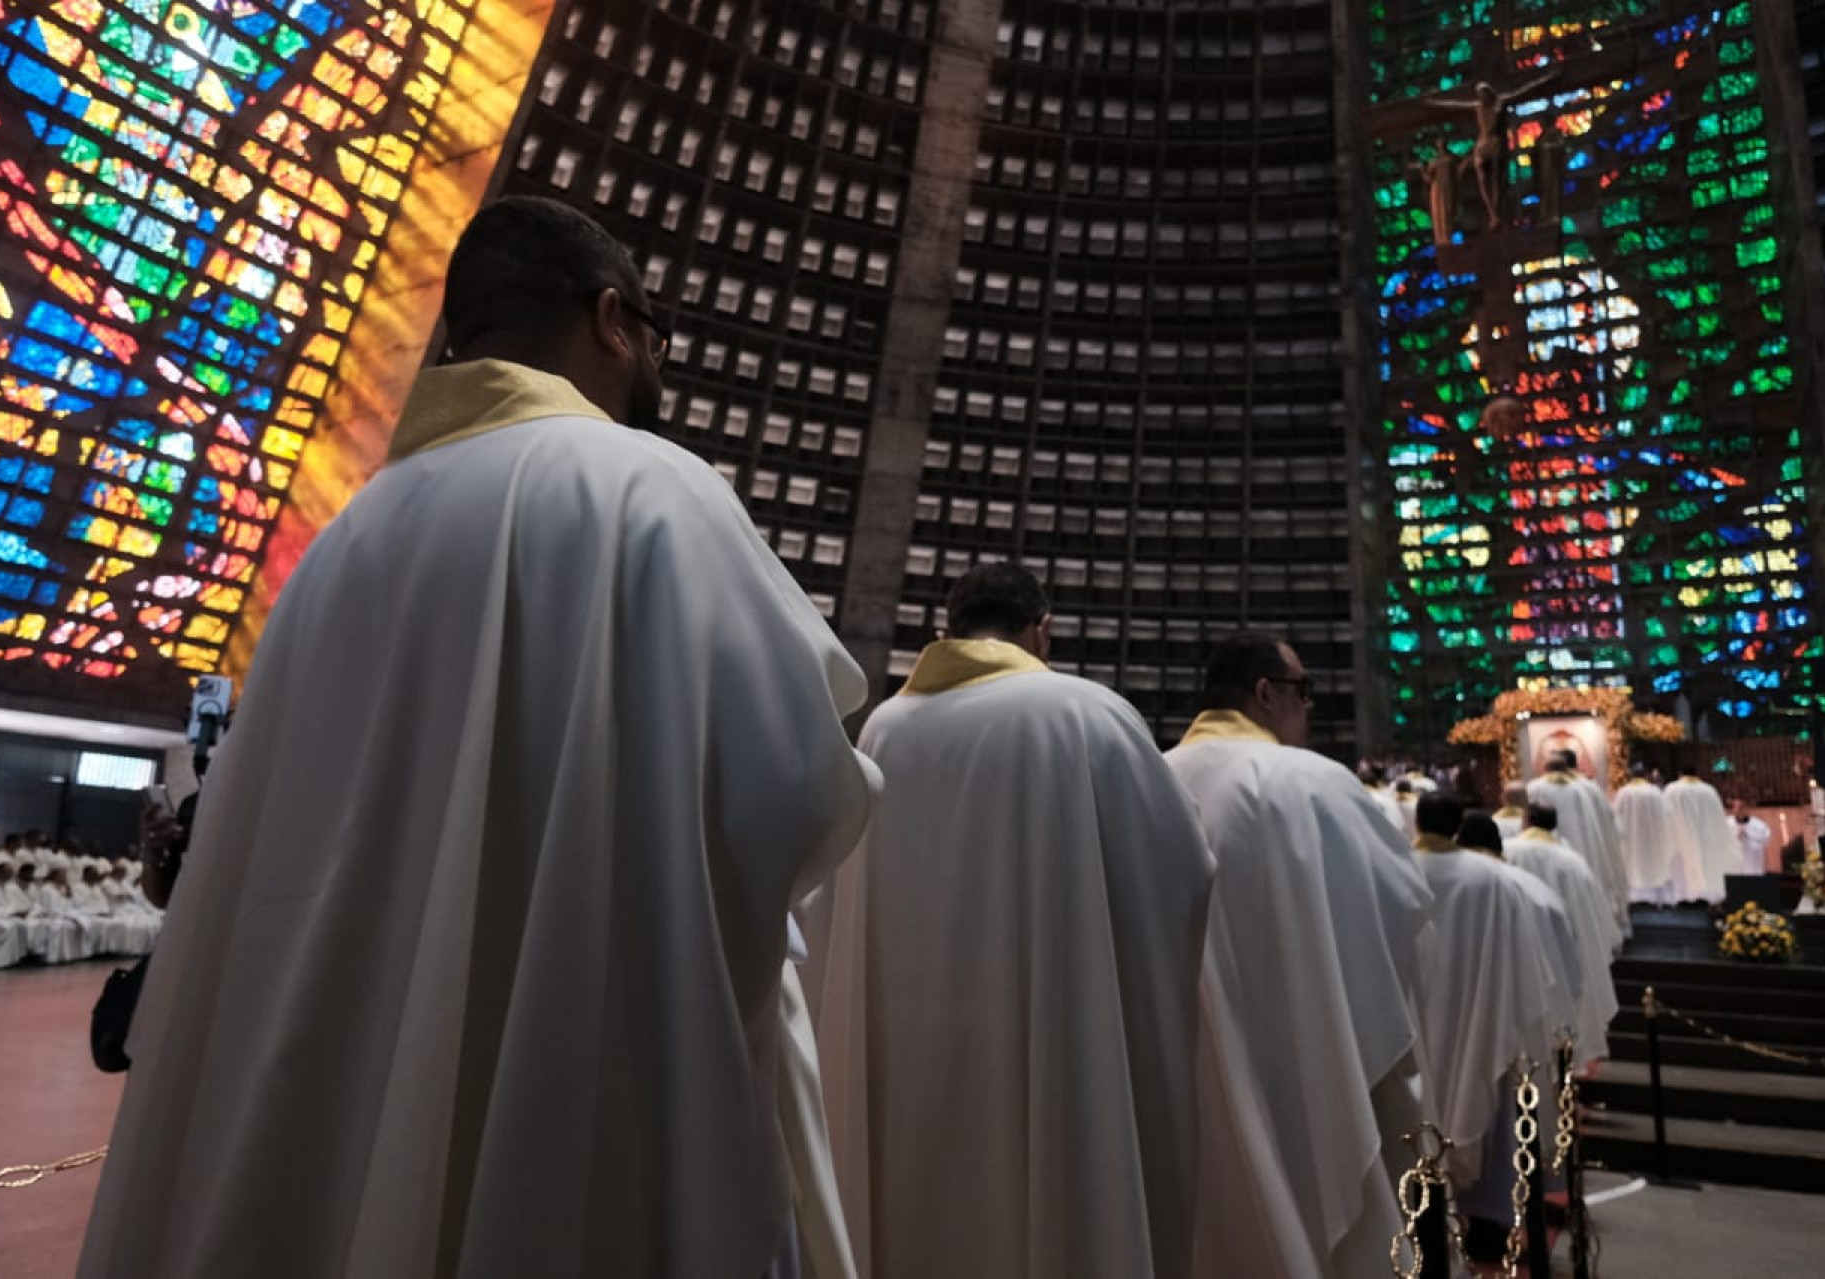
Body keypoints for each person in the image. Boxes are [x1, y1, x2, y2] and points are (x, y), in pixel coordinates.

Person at [80, 198, 879, 1279]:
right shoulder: (652, 494)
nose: (658, 364)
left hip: (339, 1091)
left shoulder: (342, 543)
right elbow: (800, 798)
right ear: (612, 320)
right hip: (570, 1088)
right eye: (657, 334)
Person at [812, 566, 1314, 1279]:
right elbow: (1179, 872)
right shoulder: (1084, 713)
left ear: (947, 630)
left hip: (907, 1051)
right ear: (1042, 630)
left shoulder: (883, 728)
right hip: (1045, 1040)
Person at [1165, 633, 1434, 1279]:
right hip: (1300, 1065)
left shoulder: (1149, 776)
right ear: (1266, 693)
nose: (1309, 708)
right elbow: (1396, 916)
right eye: (1303, 691)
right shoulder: (1309, 780)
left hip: (1175, 1073)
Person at [1410, 795, 1573, 1262]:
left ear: (1417, 821)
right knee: (1486, 1115)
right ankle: (1484, 1225)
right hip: (1477, 1018)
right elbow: (1522, 966)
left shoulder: (1392, 868)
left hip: (1413, 1020)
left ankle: (1419, 1230)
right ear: (1456, 826)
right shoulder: (1491, 879)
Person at [1502, 805, 1620, 1064]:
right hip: (1565, 952)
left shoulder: (1506, 852)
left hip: (1518, 950)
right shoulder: (1573, 861)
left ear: (1525, 821)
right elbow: (1593, 918)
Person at [1529, 750, 1630, 936]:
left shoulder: (1534, 789)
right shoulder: (1586, 789)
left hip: (1542, 853)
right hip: (1585, 850)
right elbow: (1607, 821)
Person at [1614, 766, 1696, 904]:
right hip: (1652, 838)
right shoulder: (1655, 792)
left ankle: (1634, 897)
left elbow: (1615, 818)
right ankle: (1654, 897)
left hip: (1631, 840)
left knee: (1633, 865)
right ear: (1646, 776)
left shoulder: (1622, 793)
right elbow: (1667, 816)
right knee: (1653, 865)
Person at [1664, 769, 1739, 904]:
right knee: (1705, 867)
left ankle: (1684, 897)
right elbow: (1718, 819)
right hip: (1706, 839)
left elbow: (1666, 817)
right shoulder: (1709, 790)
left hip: (1680, 838)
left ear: (1680, 774)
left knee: (1683, 870)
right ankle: (1707, 896)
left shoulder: (1671, 790)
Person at [1731, 798, 1773, 874]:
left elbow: (1767, 839)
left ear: (1746, 808)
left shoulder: (1758, 825)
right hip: (1735, 868)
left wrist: (1748, 834)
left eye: (1740, 807)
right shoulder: (1727, 824)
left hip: (1754, 867)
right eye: (1735, 807)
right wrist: (1736, 836)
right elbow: (1722, 842)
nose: (1737, 810)